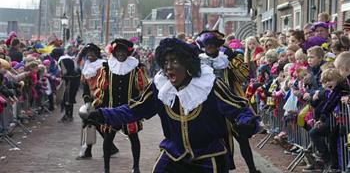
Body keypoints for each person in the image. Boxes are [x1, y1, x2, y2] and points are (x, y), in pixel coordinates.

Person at [87, 37, 260, 173]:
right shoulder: (160, 87)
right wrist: (101, 115)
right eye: (166, 63)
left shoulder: (209, 85)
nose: (169, 68)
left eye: (175, 62)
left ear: (187, 64)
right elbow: (134, 109)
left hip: (209, 156)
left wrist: (246, 122)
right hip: (174, 154)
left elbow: (238, 108)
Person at [197, 30, 261, 173]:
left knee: (243, 139)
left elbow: (243, 76)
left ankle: (252, 169)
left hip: (231, 104)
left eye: (213, 44)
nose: (210, 47)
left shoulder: (227, 59)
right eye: (207, 45)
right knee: (217, 142)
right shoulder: (198, 61)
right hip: (210, 107)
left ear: (218, 45)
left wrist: (232, 60)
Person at [102, 38, 149, 173]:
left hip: (129, 110)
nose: (120, 53)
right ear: (114, 52)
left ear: (127, 53)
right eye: (118, 51)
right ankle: (106, 168)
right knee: (108, 137)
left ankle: (136, 166)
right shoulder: (107, 67)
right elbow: (103, 90)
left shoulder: (136, 68)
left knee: (133, 137)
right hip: (112, 109)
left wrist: (139, 107)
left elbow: (142, 88)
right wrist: (101, 107)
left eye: (123, 51)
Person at [75, 43, 119, 160]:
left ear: (96, 53)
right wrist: (86, 97)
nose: (89, 55)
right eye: (87, 53)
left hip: (102, 98)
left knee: (97, 124)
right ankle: (95, 150)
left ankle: (107, 147)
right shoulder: (86, 66)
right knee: (91, 123)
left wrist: (100, 97)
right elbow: (85, 83)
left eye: (92, 53)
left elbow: (106, 83)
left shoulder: (103, 65)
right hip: (91, 99)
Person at [58, 48, 81, 122]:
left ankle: (68, 115)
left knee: (68, 100)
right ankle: (68, 115)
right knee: (69, 100)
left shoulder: (71, 75)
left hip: (70, 86)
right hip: (71, 85)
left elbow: (64, 73)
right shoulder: (75, 73)